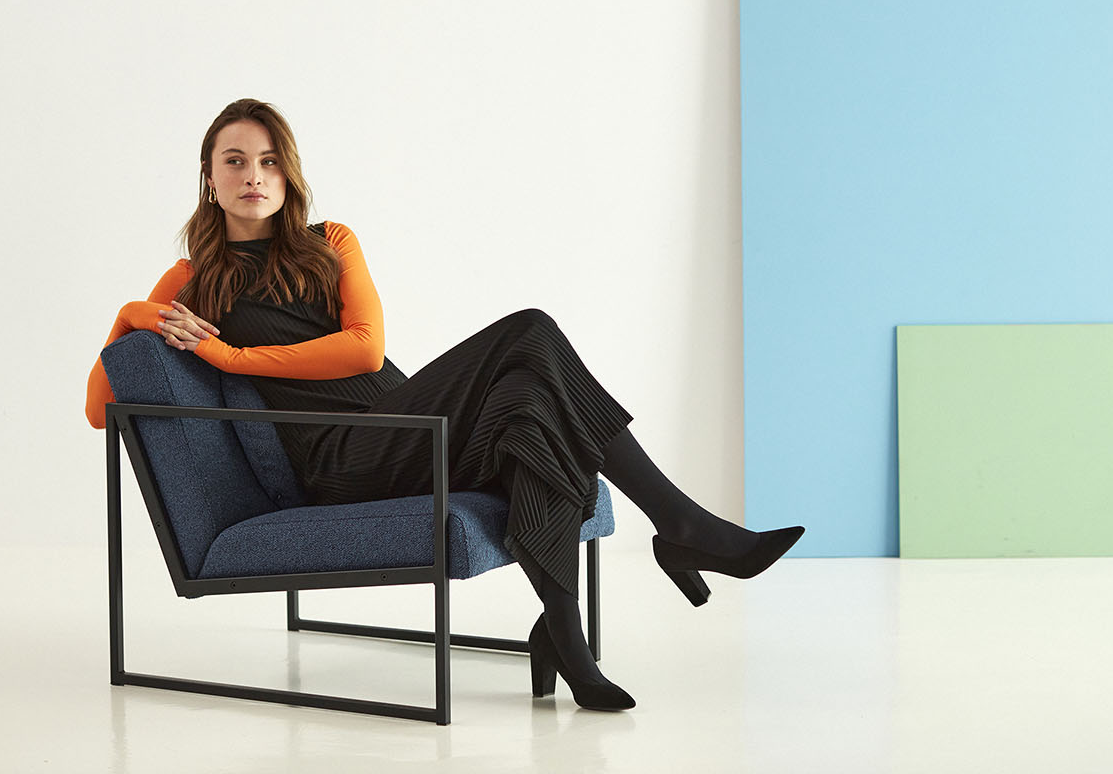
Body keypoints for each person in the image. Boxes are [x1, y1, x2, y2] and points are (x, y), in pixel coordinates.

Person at [85, 98, 803, 711]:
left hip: (400, 425)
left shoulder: (331, 243)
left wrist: (233, 357)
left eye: (269, 161)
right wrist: (131, 313)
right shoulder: (192, 279)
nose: (253, 176)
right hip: (338, 461)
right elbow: (98, 407)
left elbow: (365, 350)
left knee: (527, 402)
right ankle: (680, 526)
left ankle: (563, 628)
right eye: (235, 161)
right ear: (209, 178)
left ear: (288, 173)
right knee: (530, 331)